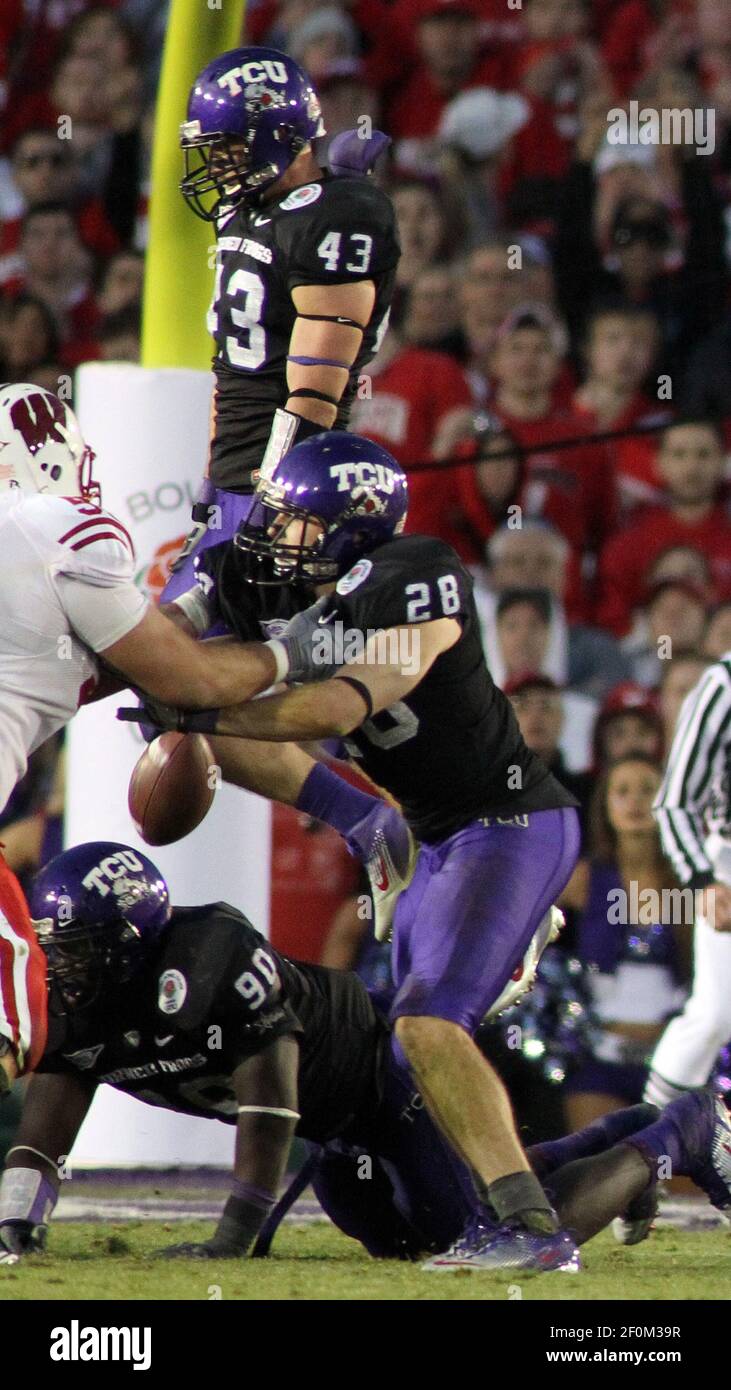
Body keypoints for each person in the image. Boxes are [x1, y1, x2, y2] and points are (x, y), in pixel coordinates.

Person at [125, 428, 584, 1271]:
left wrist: (197, 709)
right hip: (430, 835)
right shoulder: (265, 573)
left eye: (295, 522)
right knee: (410, 1047)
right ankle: (653, 1145)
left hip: (506, 824)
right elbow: (157, 643)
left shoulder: (418, 576)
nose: (273, 536)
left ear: (351, 526)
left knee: (428, 1023)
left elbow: (338, 707)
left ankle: (531, 1230)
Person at [4, 839, 731, 1270]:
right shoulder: (70, 1006)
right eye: (53, 949)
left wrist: (235, 1235)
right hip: (339, 1125)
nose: (61, 968)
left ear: (134, 940)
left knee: (482, 1235)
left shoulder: (210, 956)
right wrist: (17, 1224)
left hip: (384, 1073)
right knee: (397, 1240)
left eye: (80, 950)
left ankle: (682, 1131)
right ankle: (622, 1133)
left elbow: (270, 1098)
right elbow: (43, 1132)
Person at [0, 381, 322, 1095]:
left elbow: (82, 667)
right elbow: (189, 683)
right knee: (8, 1033)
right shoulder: (55, 523)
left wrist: (201, 598)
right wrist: (295, 651)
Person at [162, 45, 400, 604]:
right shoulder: (244, 207)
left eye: (226, 146)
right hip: (236, 482)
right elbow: (229, 371)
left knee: (227, 662)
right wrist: (211, 490)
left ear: (275, 135)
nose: (215, 163)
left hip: (291, 493)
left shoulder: (336, 217)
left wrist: (271, 508)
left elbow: (315, 391)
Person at [559, 754, 688, 1130]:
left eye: (649, 791)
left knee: (679, 1185)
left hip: (677, 1066)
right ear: (606, 805)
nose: (636, 802)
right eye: (623, 792)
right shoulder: (583, 877)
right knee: (600, 1175)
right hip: (601, 1062)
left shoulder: (689, 884)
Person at [643, 652, 731, 1109]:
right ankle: (646, 1148)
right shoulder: (723, 682)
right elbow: (675, 802)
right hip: (728, 867)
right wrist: (703, 881)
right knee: (715, 1015)